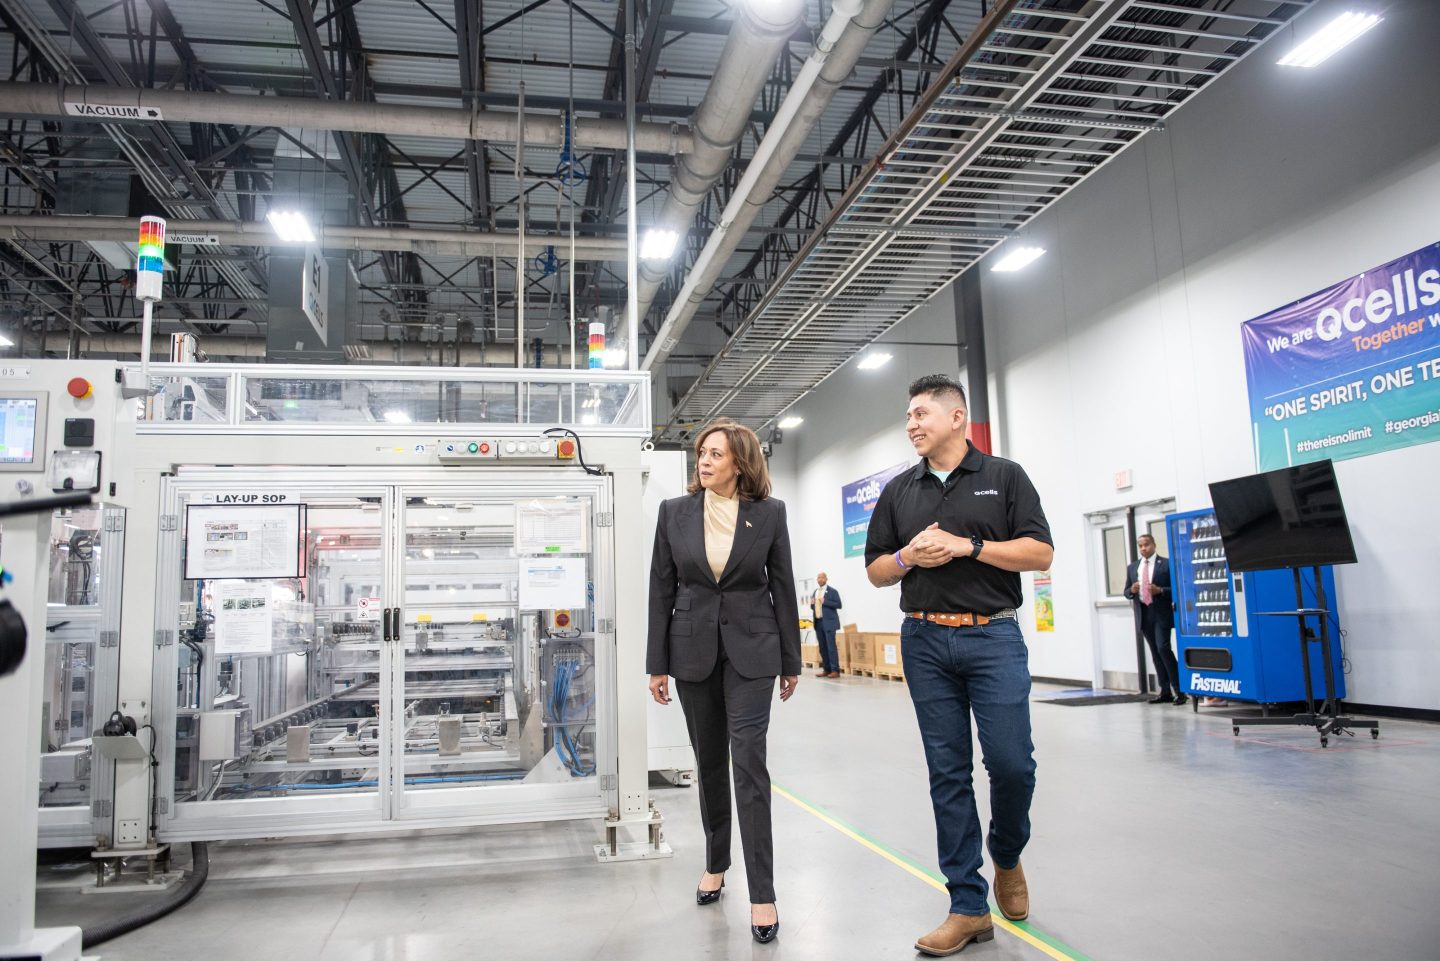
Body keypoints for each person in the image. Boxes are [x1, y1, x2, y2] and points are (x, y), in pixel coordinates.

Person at [865, 374, 1054, 957]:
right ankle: (967, 905)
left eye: (921, 413)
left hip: (993, 637)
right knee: (947, 774)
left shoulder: (1005, 477)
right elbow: (876, 570)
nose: (912, 424)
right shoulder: (899, 491)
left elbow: (1040, 552)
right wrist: (907, 556)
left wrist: (967, 546)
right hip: (925, 641)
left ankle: (1006, 854)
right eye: (908, 416)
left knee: (1012, 765)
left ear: (956, 417)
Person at [646, 418, 801, 945]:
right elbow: (661, 589)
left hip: (753, 653)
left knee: (749, 764)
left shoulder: (770, 514)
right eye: (702, 453)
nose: (705, 461)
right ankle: (716, 862)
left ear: (741, 462)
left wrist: (791, 660)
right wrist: (656, 663)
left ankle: (763, 893)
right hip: (691, 651)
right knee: (709, 762)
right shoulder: (674, 512)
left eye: (716, 453)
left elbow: (782, 586)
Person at [1124, 534, 1185, 705]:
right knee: (1155, 653)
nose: (1143, 548)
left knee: (1163, 648)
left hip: (1161, 614)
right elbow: (1126, 592)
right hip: (1144, 614)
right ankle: (1165, 691)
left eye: (1146, 545)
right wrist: (1132, 590)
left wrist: (1161, 591)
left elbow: (1178, 588)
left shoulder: (1166, 564)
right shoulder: (1133, 567)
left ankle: (1180, 690)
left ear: (1154, 545)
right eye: (1140, 546)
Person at [811, 572, 843, 677]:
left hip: (829, 623)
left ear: (826, 579)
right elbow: (813, 607)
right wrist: (812, 604)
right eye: (818, 577)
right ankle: (827, 669)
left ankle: (835, 670)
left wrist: (825, 601)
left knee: (831, 647)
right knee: (822, 648)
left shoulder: (832, 591)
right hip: (818, 622)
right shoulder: (815, 592)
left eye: (822, 577)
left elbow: (839, 605)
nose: (820, 579)